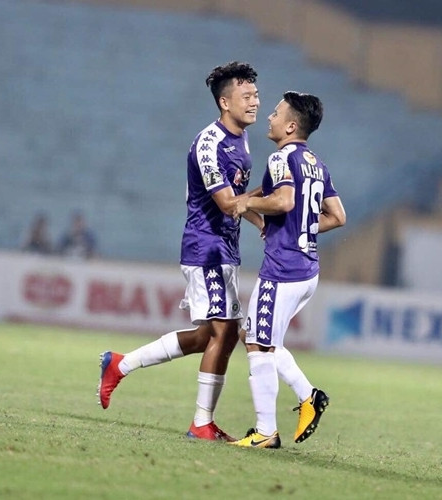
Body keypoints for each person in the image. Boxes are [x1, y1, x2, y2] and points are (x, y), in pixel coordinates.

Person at [97, 61, 264, 441]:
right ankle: (201, 423)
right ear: (225, 102)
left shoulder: (241, 139)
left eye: (256, 95)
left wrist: (259, 221)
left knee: (210, 336)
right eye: (246, 96)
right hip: (206, 248)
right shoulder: (209, 144)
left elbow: (238, 200)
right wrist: (273, 191)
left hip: (225, 246)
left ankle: (120, 365)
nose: (255, 102)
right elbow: (227, 202)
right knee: (225, 331)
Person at [229, 91, 346, 449]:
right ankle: (309, 397)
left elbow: (283, 201)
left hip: (283, 269)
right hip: (307, 268)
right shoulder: (315, 164)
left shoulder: (281, 158)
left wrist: (247, 203)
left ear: (291, 126)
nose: (269, 117)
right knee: (257, 337)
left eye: (276, 113)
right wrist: (300, 228)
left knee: (259, 346)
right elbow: (337, 216)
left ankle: (266, 431)